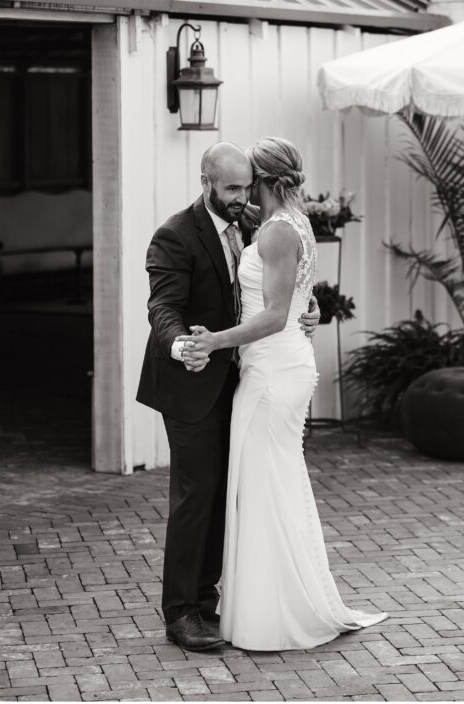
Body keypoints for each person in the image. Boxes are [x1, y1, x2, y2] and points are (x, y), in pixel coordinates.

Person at [187, 137, 387, 651]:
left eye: (250, 178)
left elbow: (276, 314)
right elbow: (300, 298)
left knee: (262, 489)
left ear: (266, 181)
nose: (244, 189)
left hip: (273, 372)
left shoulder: (277, 231)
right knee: (274, 485)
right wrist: (311, 310)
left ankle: (274, 613)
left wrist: (215, 340)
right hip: (282, 364)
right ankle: (283, 599)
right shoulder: (294, 222)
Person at [136, 142, 320, 651]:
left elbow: (284, 283)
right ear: (207, 182)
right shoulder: (174, 235)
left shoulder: (256, 221)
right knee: (196, 495)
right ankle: (180, 613)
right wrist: (183, 346)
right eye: (232, 189)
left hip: (242, 379)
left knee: (226, 491)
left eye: (246, 187)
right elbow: (163, 308)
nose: (243, 199)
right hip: (192, 381)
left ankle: (206, 597)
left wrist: (311, 308)